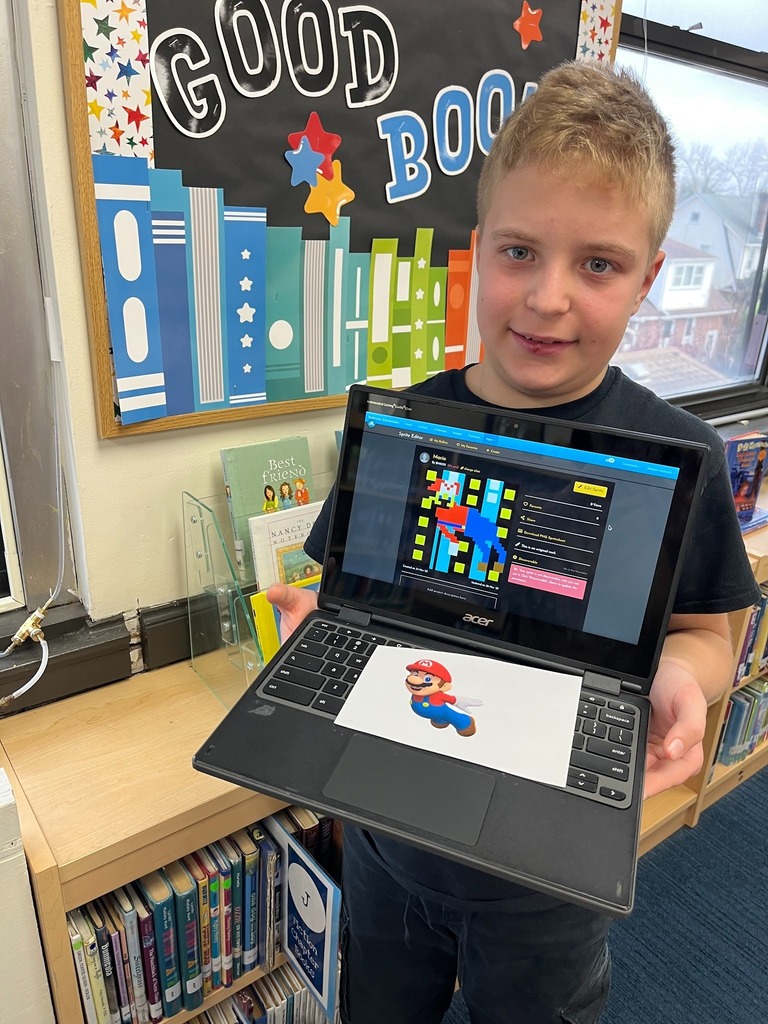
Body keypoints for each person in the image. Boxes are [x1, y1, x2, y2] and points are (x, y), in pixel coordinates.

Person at [266, 60, 761, 1024]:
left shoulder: (684, 456)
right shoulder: (407, 424)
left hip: (547, 873)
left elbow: (711, 634)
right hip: (388, 836)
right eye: (521, 252)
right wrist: (316, 626)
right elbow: (350, 595)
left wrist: (681, 676)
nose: (547, 298)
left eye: (599, 265)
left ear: (649, 280)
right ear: (479, 250)